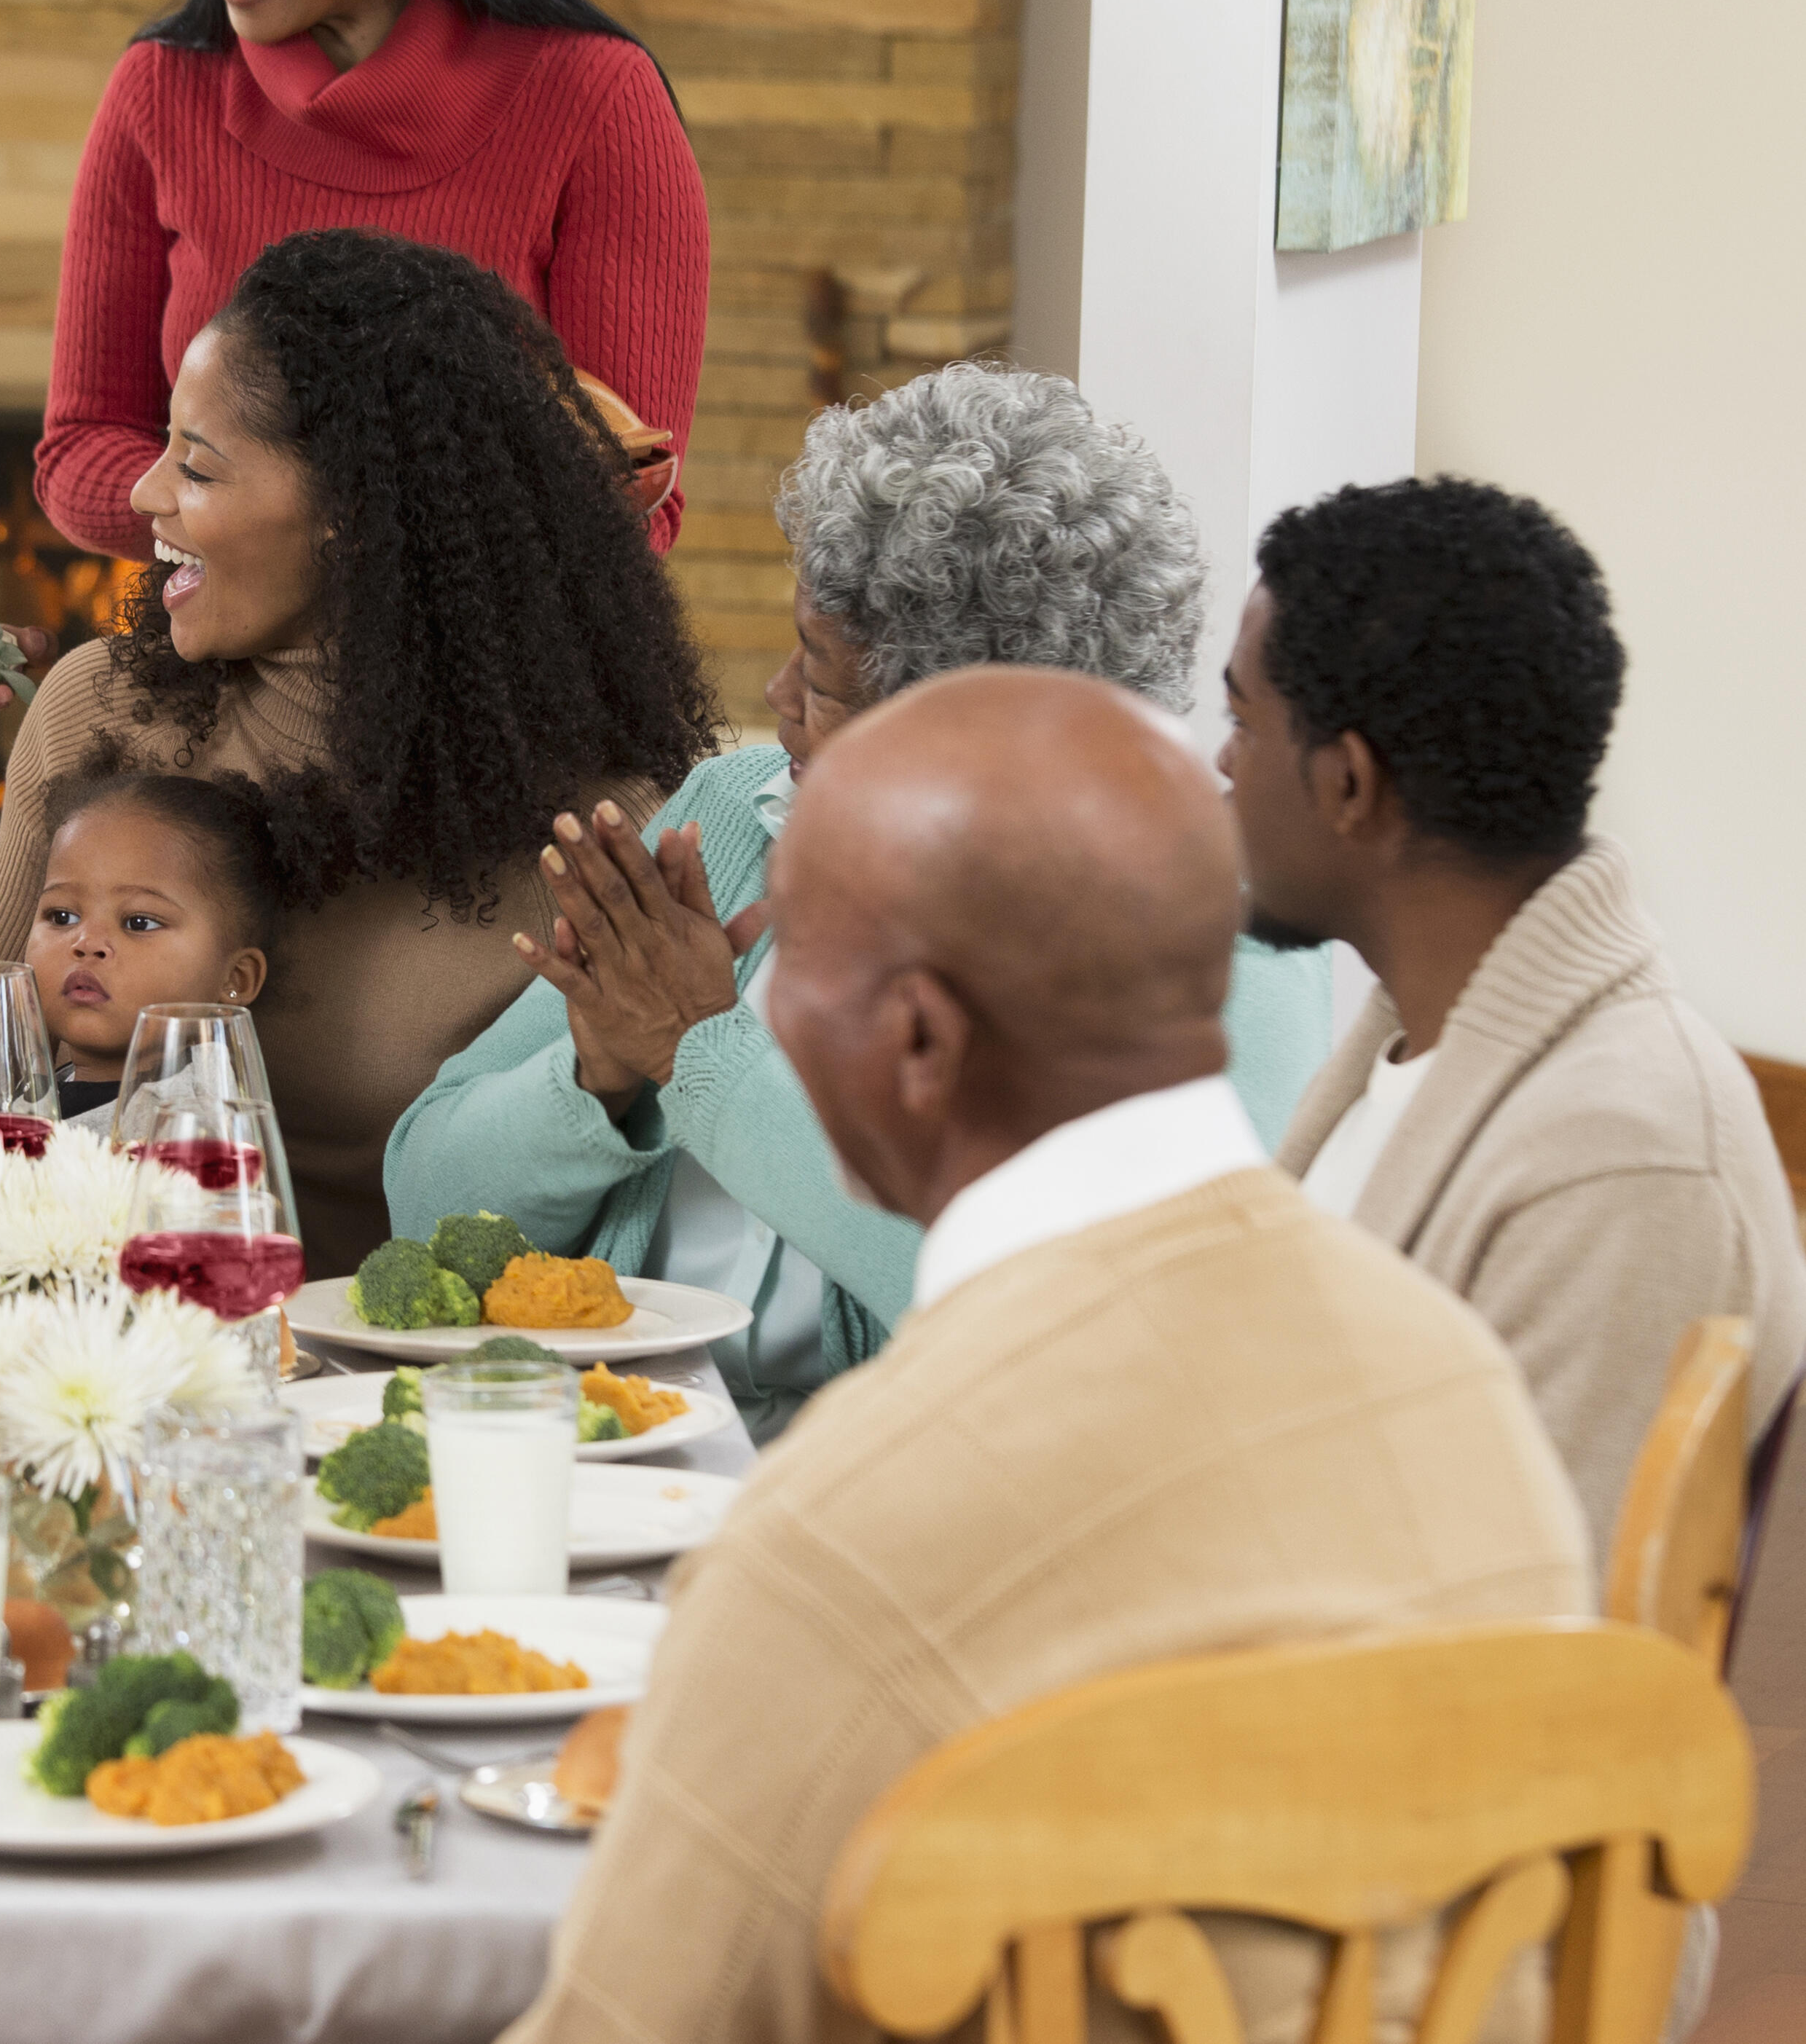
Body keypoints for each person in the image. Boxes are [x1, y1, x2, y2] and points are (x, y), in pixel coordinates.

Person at [503, 667, 1588, 2044]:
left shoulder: (851, 1527)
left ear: (912, 1038)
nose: (748, 1017)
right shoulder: (1456, 1375)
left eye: (780, 975)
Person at [0, 226, 726, 1278]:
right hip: (122, 1350)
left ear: (353, 512)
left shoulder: (596, 820)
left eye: (195, 468)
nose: (145, 494)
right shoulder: (103, 710)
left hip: (421, 1368)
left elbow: (626, 1189)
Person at [388, 366, 1332, 1437]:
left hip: (912, 1512)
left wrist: (696, 1053)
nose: (776, 696)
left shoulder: (1225, 945)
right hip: (601, 1457)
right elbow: (423, 1198)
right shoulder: (734, 815)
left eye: (826, 680)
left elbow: (1083, 1322)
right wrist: (594, 1076)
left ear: (965, 737)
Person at [1226, 477, 1805, 1541]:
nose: (1219, 764)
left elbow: (1524, 1673)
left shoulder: (1625, 1160)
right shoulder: (1408, 1050)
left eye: (1240, 719)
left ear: (1348, 782)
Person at [36, 0, 707, 565]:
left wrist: (306, 534)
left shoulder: (595, 101)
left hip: (478, 684)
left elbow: (634, 502)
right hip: (207, 664)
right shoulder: (161, 89)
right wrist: (256, 524)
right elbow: (79, 451)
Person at [25, 767, 282, 1123]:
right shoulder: (34, 1089)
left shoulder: (193, 1135)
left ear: (235, 979)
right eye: (62, 917)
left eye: (139, 923)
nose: (86, 943)